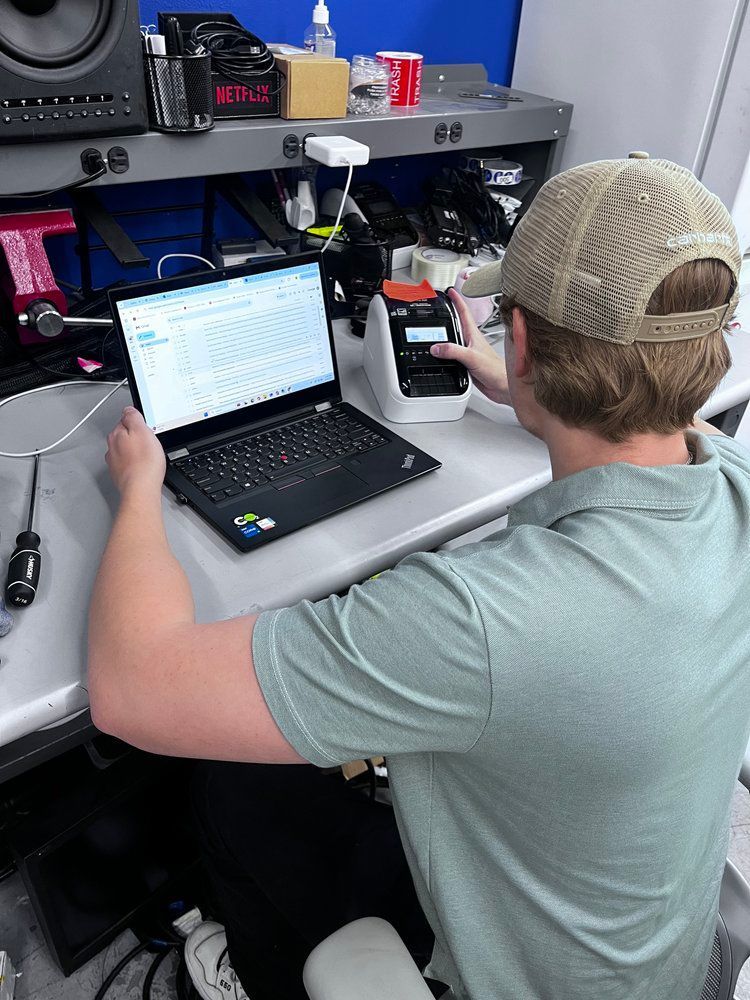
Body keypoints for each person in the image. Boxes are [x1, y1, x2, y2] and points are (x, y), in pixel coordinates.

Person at [88, 154, 750, 1000]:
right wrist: (534, 389)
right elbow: (669, 410)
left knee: (235, 789)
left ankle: (253, 978)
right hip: (669, 961)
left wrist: (142, 488)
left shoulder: (477, 617)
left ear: (518, 339)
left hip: (515, 976)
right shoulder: (730, 479)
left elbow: (129, 688)